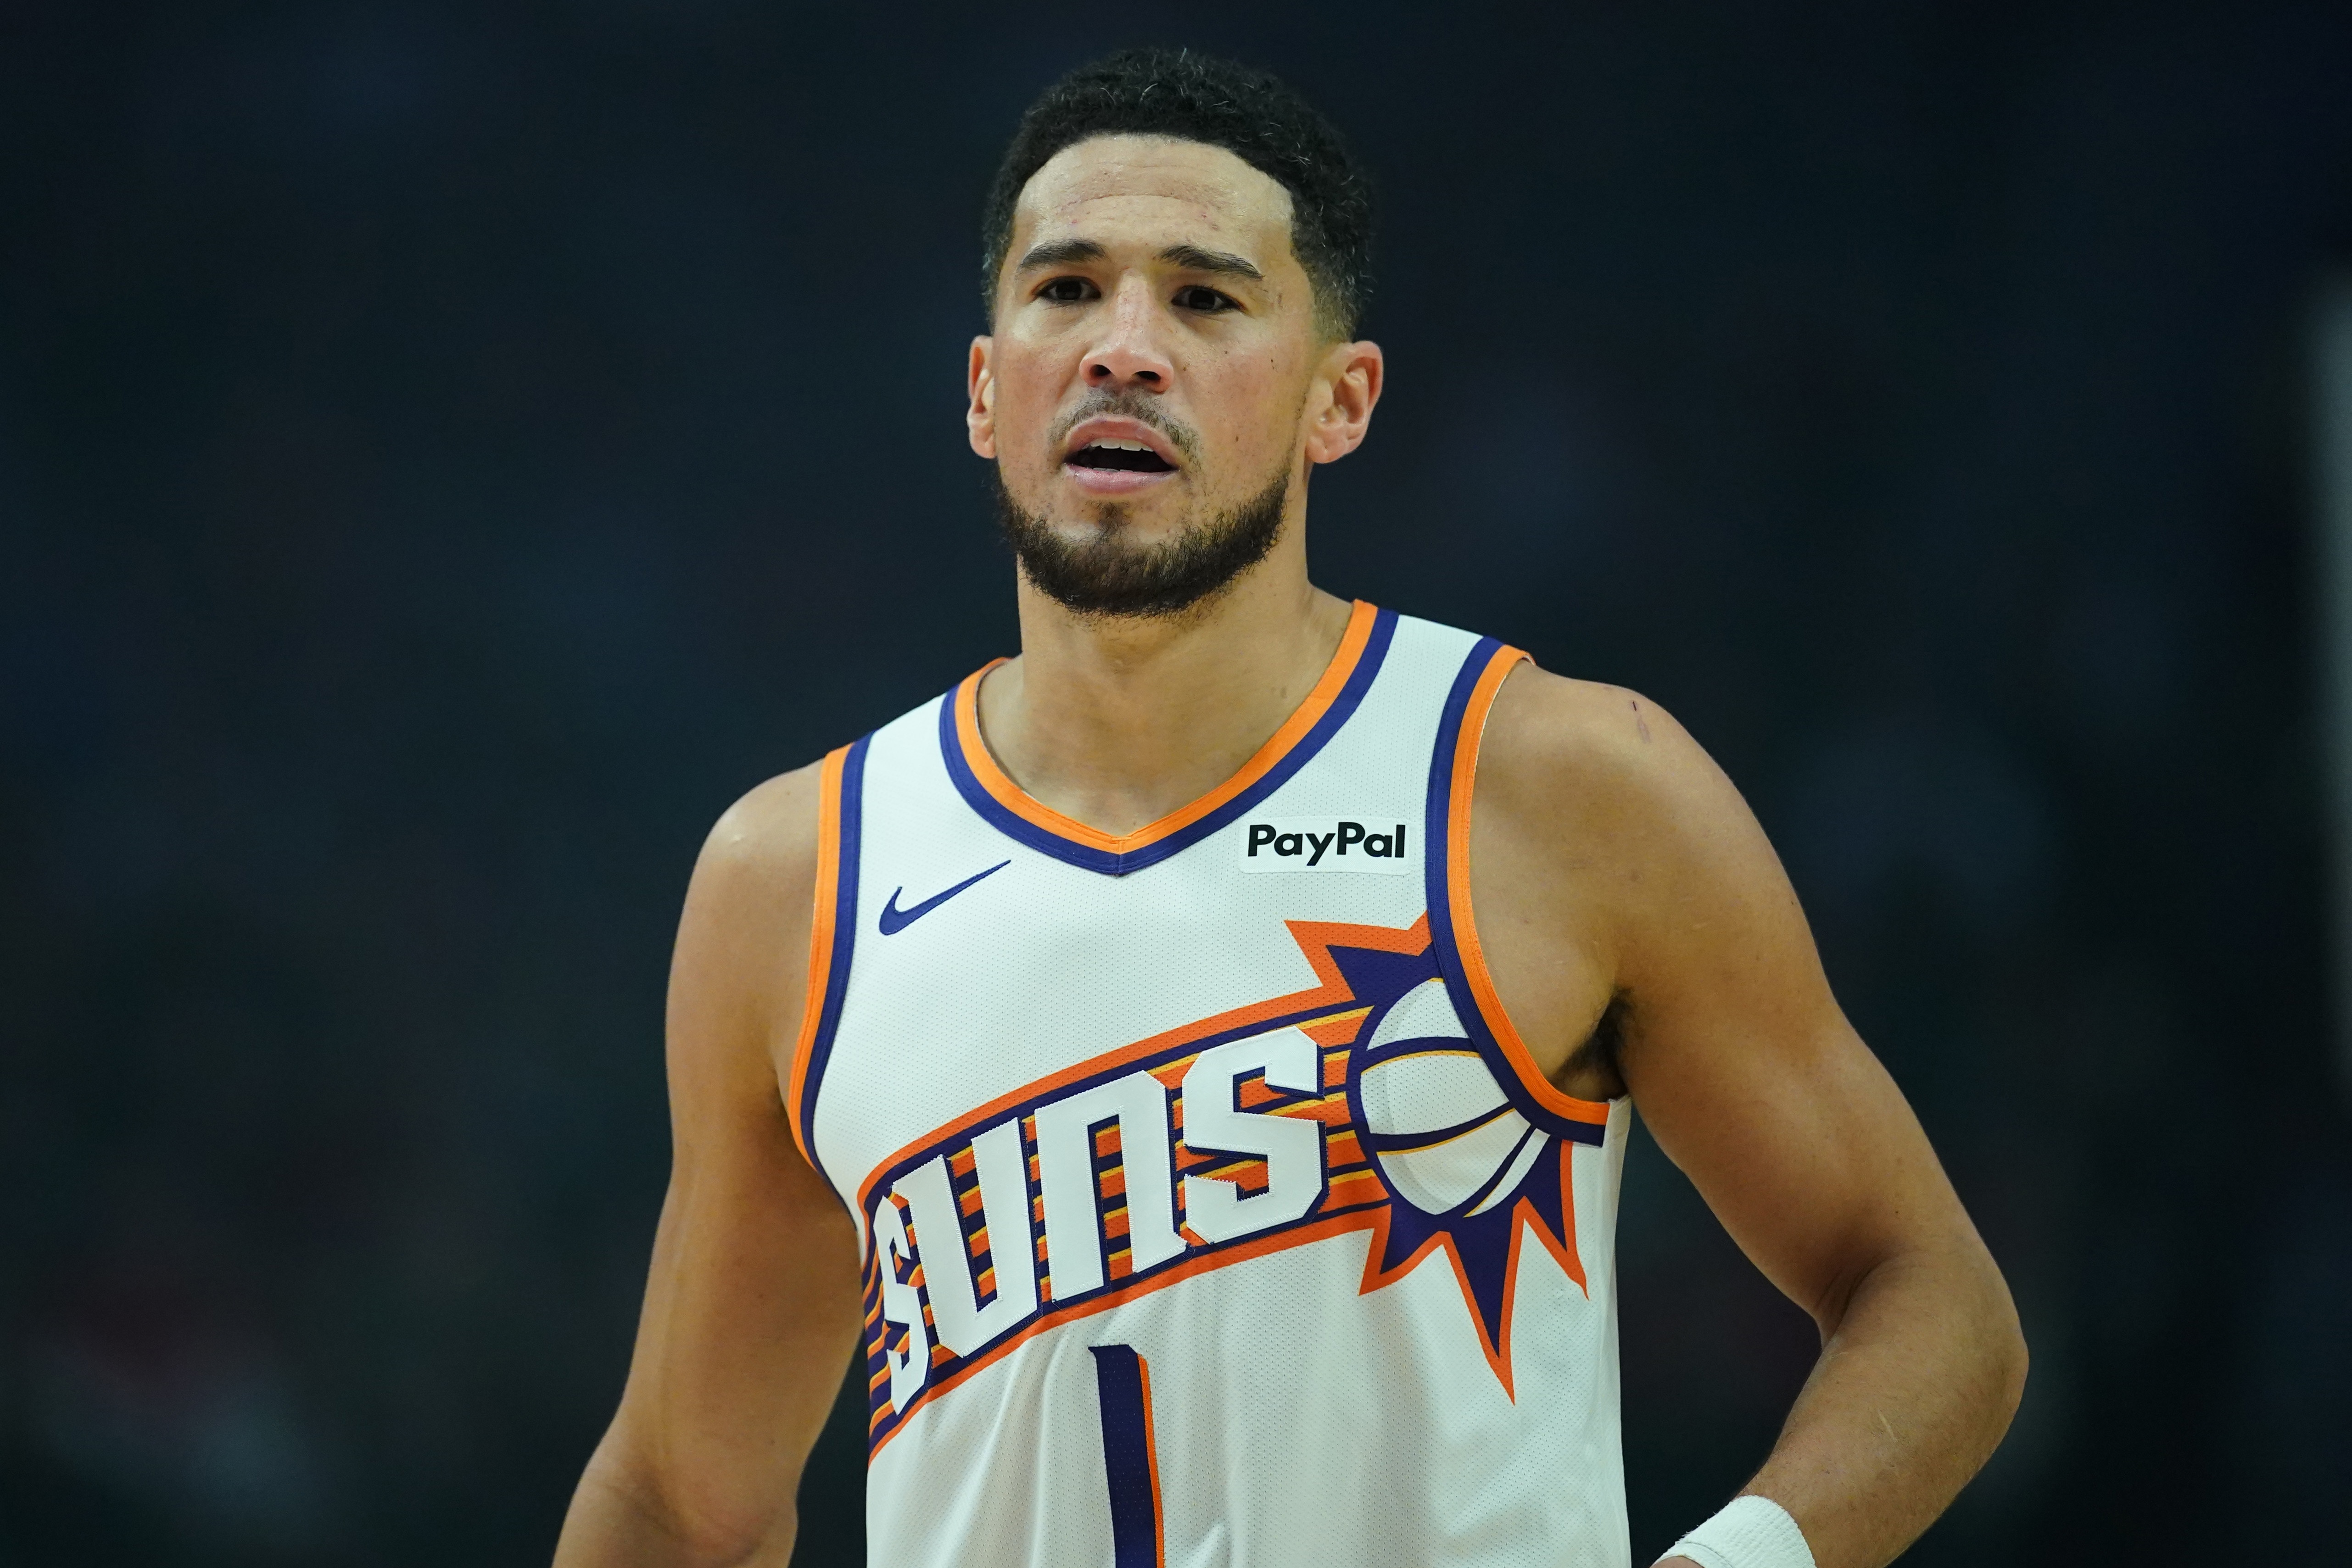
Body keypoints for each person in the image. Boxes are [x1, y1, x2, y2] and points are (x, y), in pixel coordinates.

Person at [551, 47, 2025, 1568]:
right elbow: (680, 1505)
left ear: (1341, 399)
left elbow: (1935, 1302)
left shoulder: (1565, 786)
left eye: (1205, 299)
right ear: (986, 389)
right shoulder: (794, 877)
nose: (1125, 349)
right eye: (1067, 290)